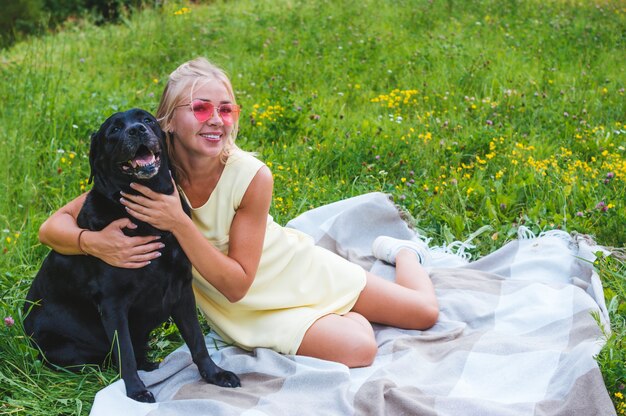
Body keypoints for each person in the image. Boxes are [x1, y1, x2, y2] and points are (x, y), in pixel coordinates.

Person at [38, 57, 439, 368]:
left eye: (226, 110)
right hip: (247, 312)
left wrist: (178, 219)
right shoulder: (149, 172)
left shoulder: (251, 175)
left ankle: (403, 252)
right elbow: (51, 227)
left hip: (287, 270)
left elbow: (236, 282)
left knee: (424, 314)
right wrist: (92, 243)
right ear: (166, 123)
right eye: (200, 108)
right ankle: (340, 316)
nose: (215, 119)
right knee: (360, 348)